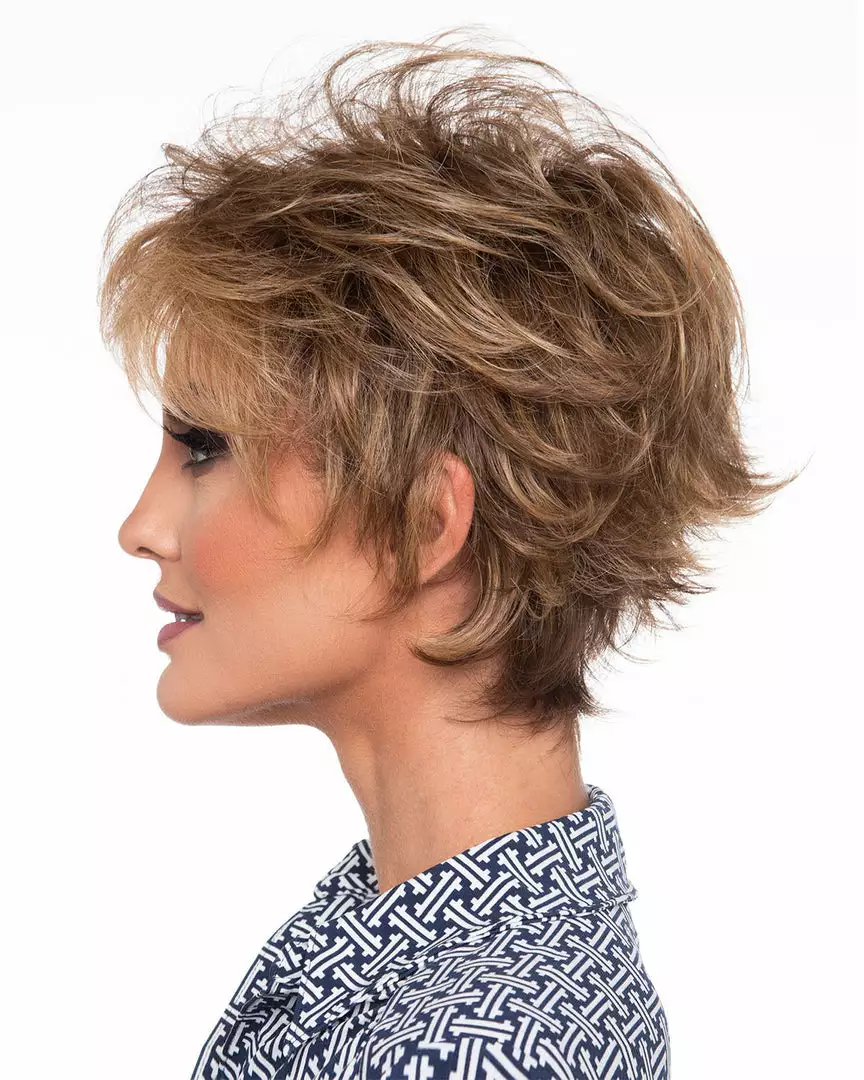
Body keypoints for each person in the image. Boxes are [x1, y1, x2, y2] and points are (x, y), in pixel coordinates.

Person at [102, 26, 797, 1080]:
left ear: (424, 523)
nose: (141, 526)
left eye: (207, 448)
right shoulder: (430, 953)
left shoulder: (480, 1044)